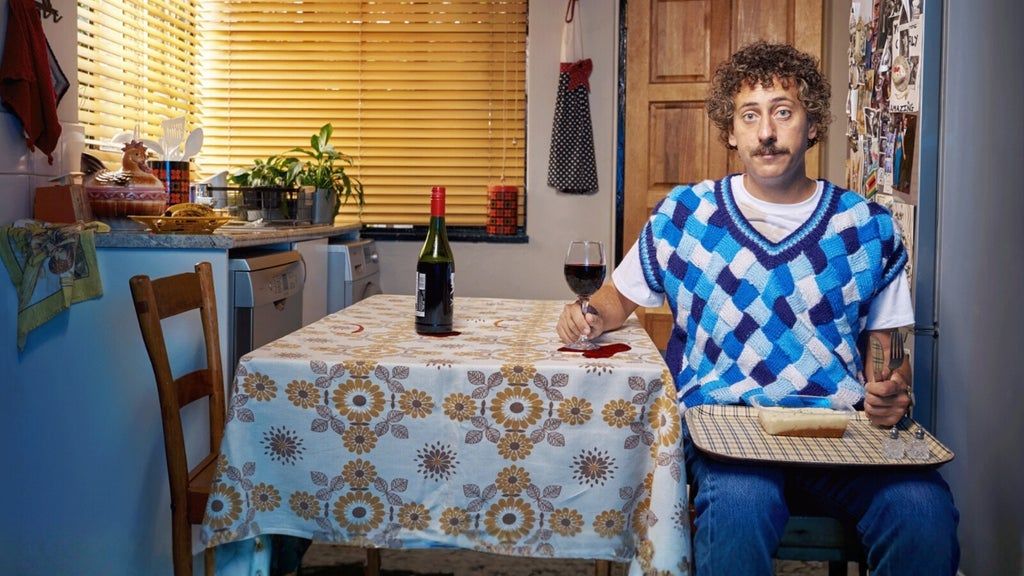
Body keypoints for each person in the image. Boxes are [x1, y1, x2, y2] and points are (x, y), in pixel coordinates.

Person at [556, 41, 959, 575]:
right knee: (739, 510)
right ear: (730, 131)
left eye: (783, 112)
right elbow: (615, 301)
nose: (766, 131)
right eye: (750, 115)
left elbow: (889, 353)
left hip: (840, 434)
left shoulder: (866, 227)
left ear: (812, 125)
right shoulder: (687, 216)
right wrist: (586, 314)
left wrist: (892, 388)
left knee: (923, 509)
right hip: (726, 434)